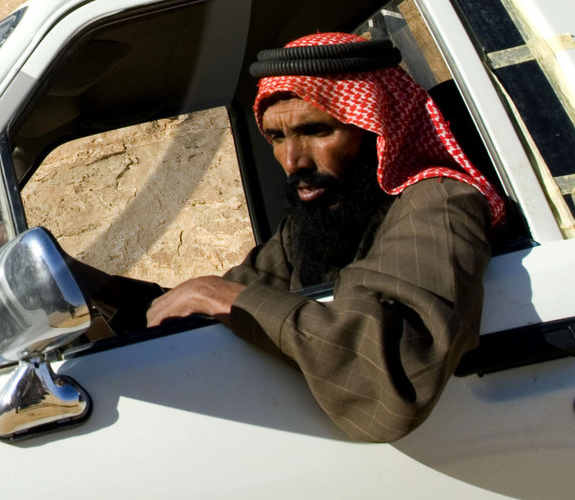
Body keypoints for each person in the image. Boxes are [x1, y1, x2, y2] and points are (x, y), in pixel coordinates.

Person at [145, 31, 507, 442]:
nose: (292, 161)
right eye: (277, 137)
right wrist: (114, 295)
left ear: (375, 129)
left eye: (317, 131)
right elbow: (208, 303)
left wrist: (223, 297)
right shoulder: (313, 225)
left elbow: (387, 385)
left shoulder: (438, 202)